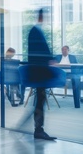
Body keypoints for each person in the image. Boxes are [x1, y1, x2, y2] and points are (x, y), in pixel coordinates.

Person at [27, 8, 57, 140]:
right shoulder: (35, 31)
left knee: (40, 100)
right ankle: (38, 129)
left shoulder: (36, 31)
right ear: (41, 17)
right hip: (39, 72)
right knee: (40, 100)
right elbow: (37, 52)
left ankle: (38, 128)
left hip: (39, 72)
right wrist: (49, 60)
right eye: (46, 16)